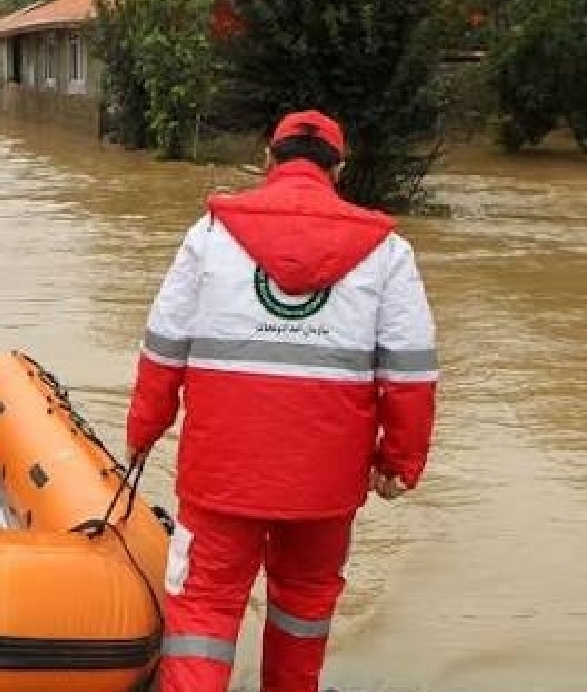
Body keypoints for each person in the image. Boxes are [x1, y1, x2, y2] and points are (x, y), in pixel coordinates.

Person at [125, 110, 438, 692]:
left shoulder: (211, 235)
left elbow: (163, 347)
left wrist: (143, 431)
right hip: (325, 485)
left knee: (204, 613)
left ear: (268, 160)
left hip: (222, 475)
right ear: (338, 170)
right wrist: (399, 464)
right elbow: (412, 376)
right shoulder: (387, 251)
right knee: (303, 611)